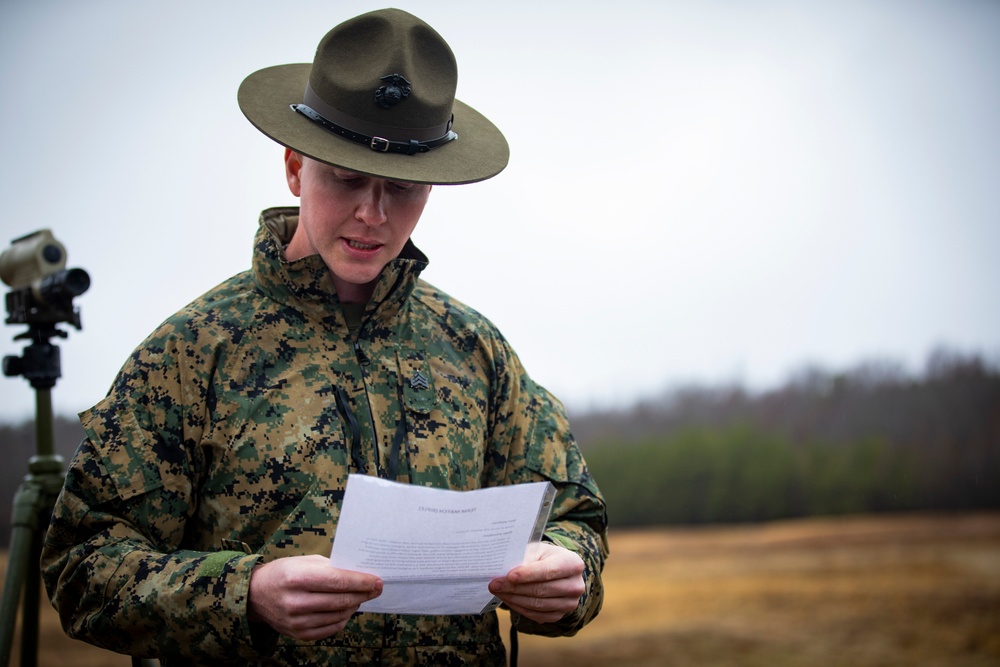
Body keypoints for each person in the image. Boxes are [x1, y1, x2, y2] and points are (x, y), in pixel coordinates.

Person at [40, 8, 608, 666]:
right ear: (293, 167)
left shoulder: (475, 350)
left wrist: (566, 571)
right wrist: (243, 593)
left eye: (402, 188)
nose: (373, 213)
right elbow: (82, 567)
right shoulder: (191, 352)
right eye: (345, 179)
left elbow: (576, 519)